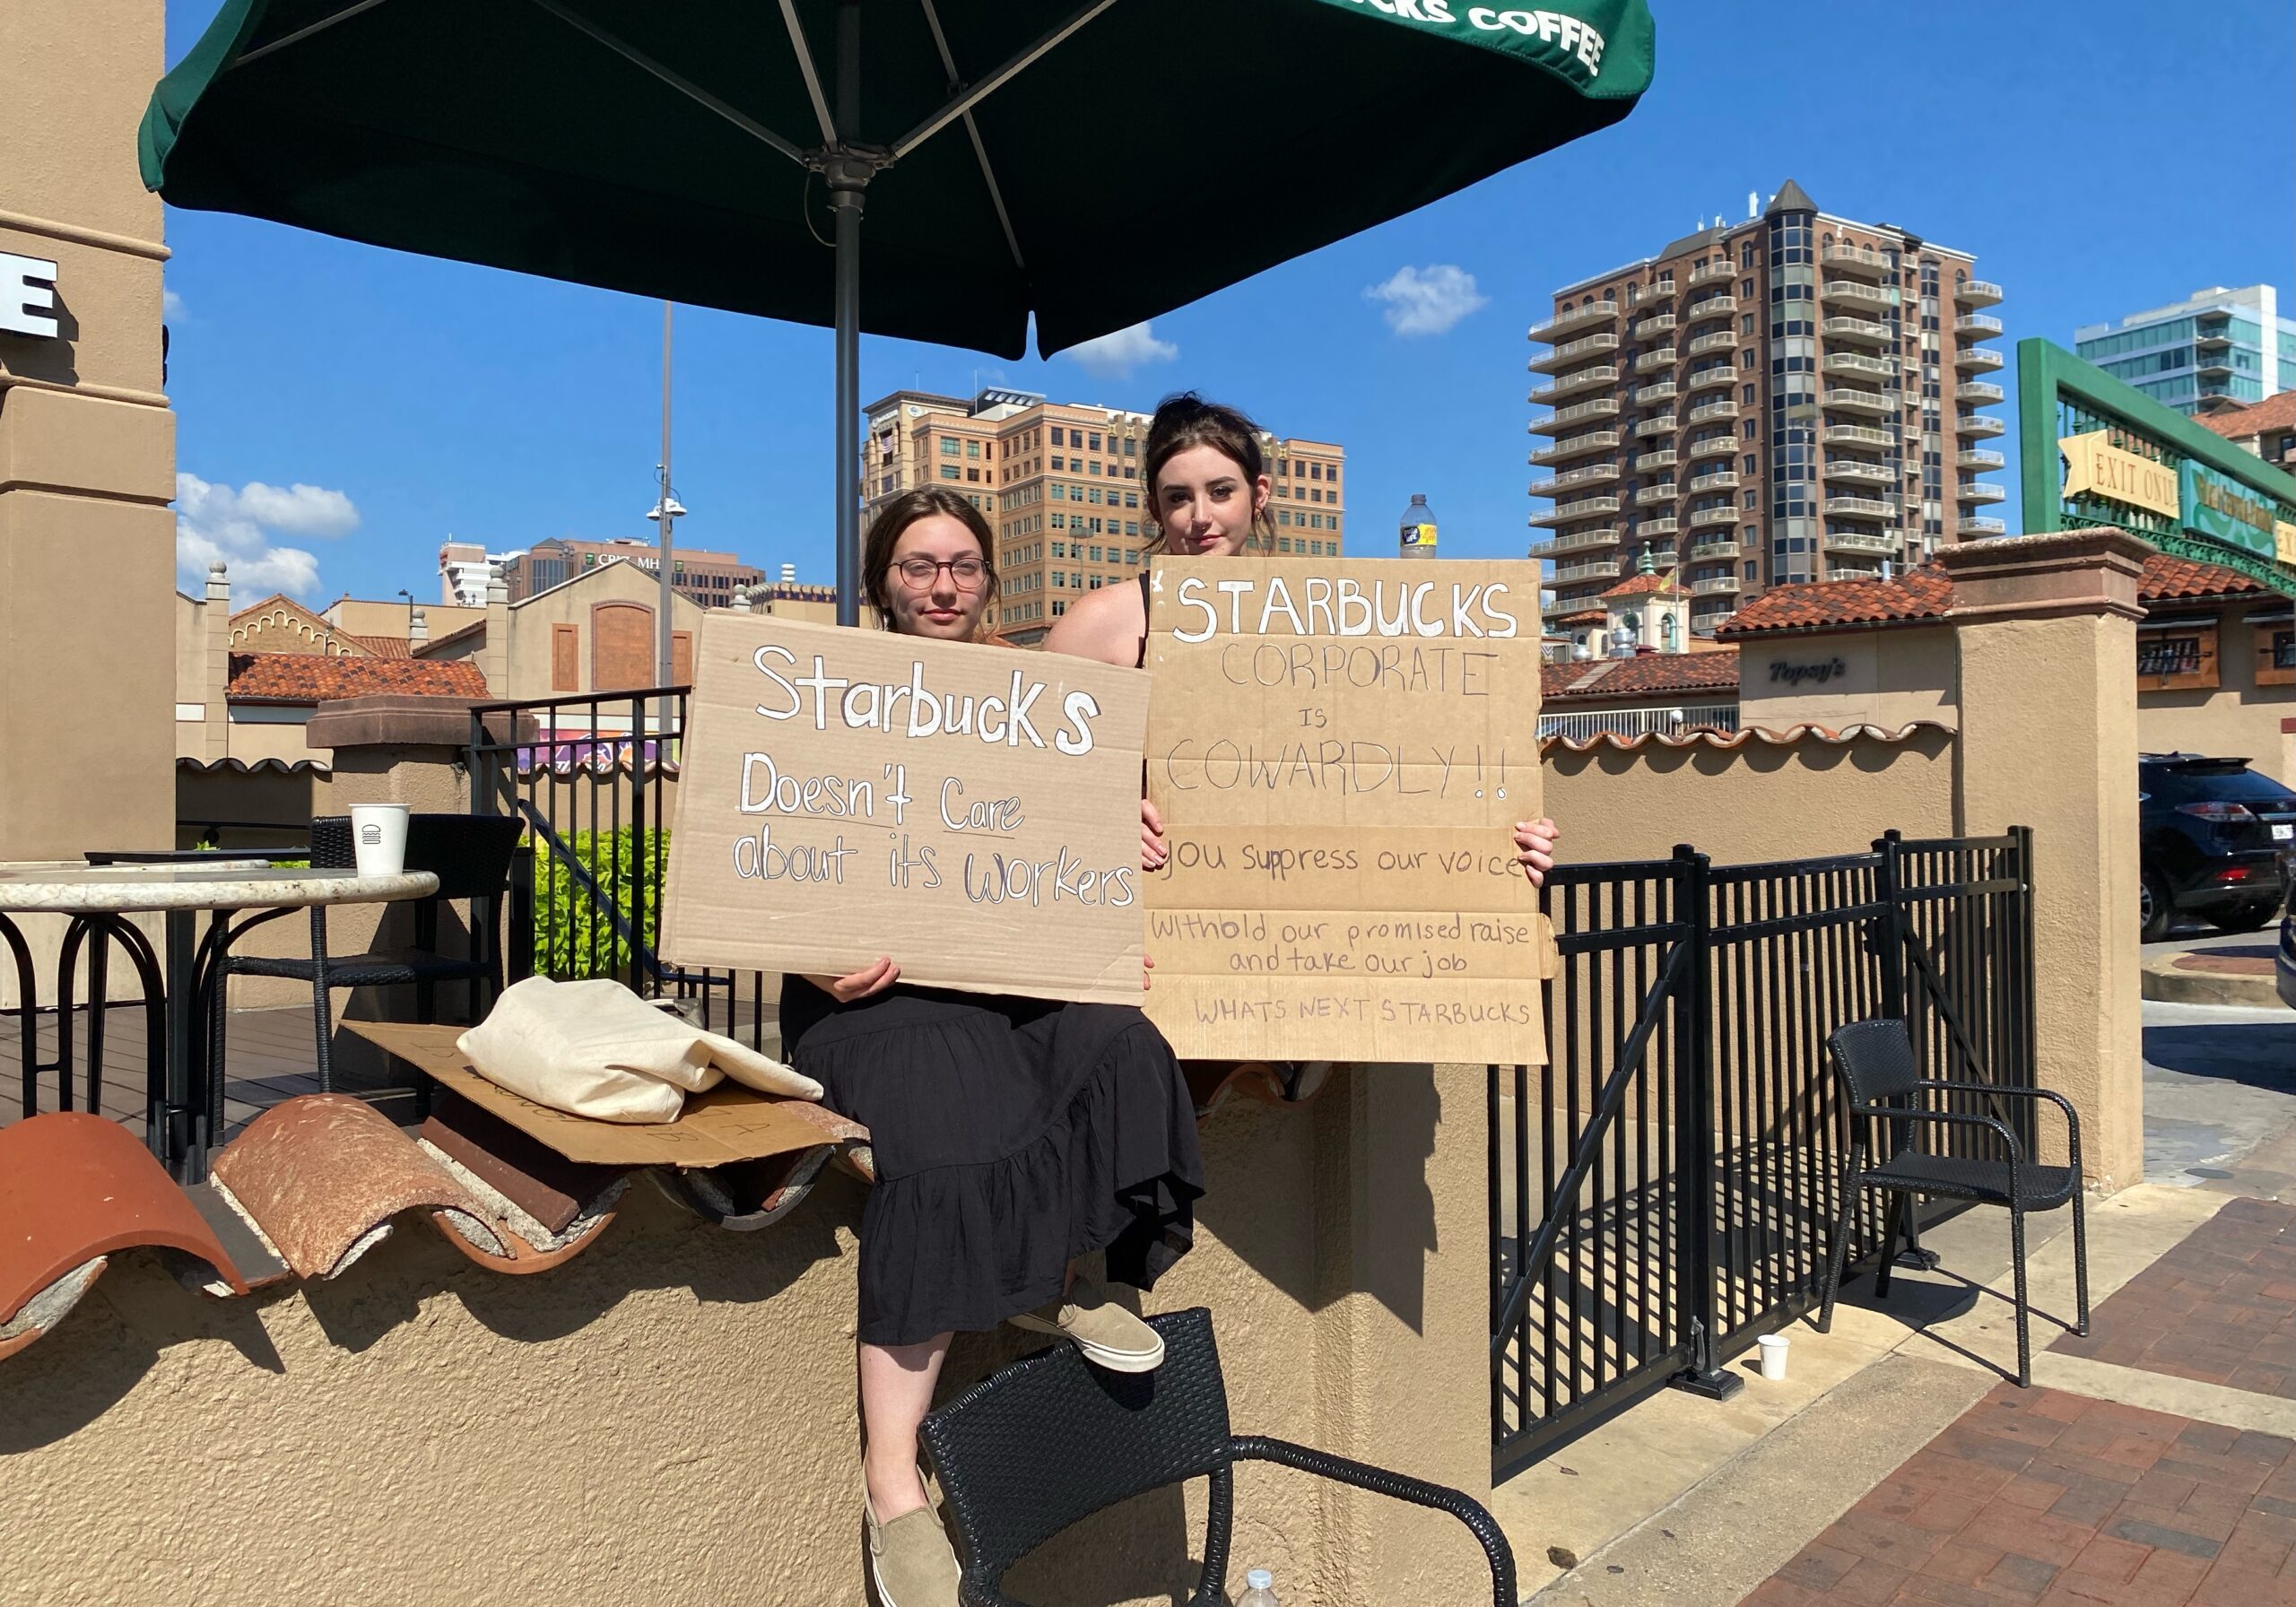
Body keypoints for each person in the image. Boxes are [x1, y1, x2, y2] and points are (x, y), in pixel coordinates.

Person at [786, 487, 1203, 1607]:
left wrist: (1122, 813)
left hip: (1001, 977)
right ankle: (892, 1484)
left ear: (989, 583)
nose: (942, 585)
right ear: (881, 582)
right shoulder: (822, 693)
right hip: (869, 999)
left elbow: (1062, 836)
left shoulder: (1037, 702)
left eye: (963, 565)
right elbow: (765, 843)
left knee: (1122, 1048)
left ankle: (1072, 1281)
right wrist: (821, 949)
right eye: (919, 565)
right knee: (949, 1129)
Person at [1045, 390, 1561, 906]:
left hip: (1295, 928)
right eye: (1178, 497)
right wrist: (1105, 817)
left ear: (1259, 494)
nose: (1199, 516)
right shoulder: (1103, 622)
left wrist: (1501, 842)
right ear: (1155, 508)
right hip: (1146, 924)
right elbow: (1022, 778)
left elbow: (1396, 771)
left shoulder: (1328, 625)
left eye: (1221, 491)